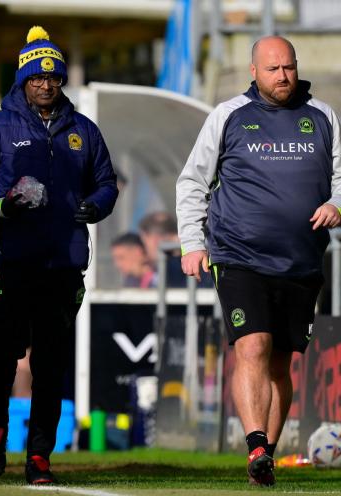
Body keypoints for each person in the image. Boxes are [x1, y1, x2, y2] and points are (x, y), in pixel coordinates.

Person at [176, 36, 341, 486]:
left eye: (288, 67)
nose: (283, 76)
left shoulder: (323, 116)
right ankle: (254, 445)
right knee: (252, 346)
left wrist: (337, 205)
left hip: (301, 263)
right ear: (254, 71)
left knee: (280, 362)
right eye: (272, 69)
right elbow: (193, 181)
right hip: (238, 256)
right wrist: (193, 242)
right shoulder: (228, 116)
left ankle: (264, 456)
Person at [0, 26, 118, 485]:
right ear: (22, 80)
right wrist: (6, 207)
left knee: (50, 367)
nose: (45, 85)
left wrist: (94, 206)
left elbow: (106, 182)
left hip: (63, 265)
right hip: (12, 264)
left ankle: (40, 457)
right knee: (1, 359)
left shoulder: (84, 130)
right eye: (37, 78)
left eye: (53, 78)